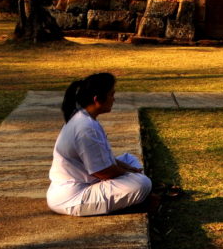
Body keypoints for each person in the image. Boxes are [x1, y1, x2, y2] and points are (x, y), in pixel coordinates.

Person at [48, 72, 156, 215]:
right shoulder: (85, 128)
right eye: (111, 94)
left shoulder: (84, 117)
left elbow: (103, 161)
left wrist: (128, 169)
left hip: (87, 180)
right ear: (97, 99)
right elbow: (103, 171)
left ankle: (135, 194)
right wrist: (129, 173)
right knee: (142, 184)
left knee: (129, 159)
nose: (114, 99)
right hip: (73, 196)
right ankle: (137, 201)